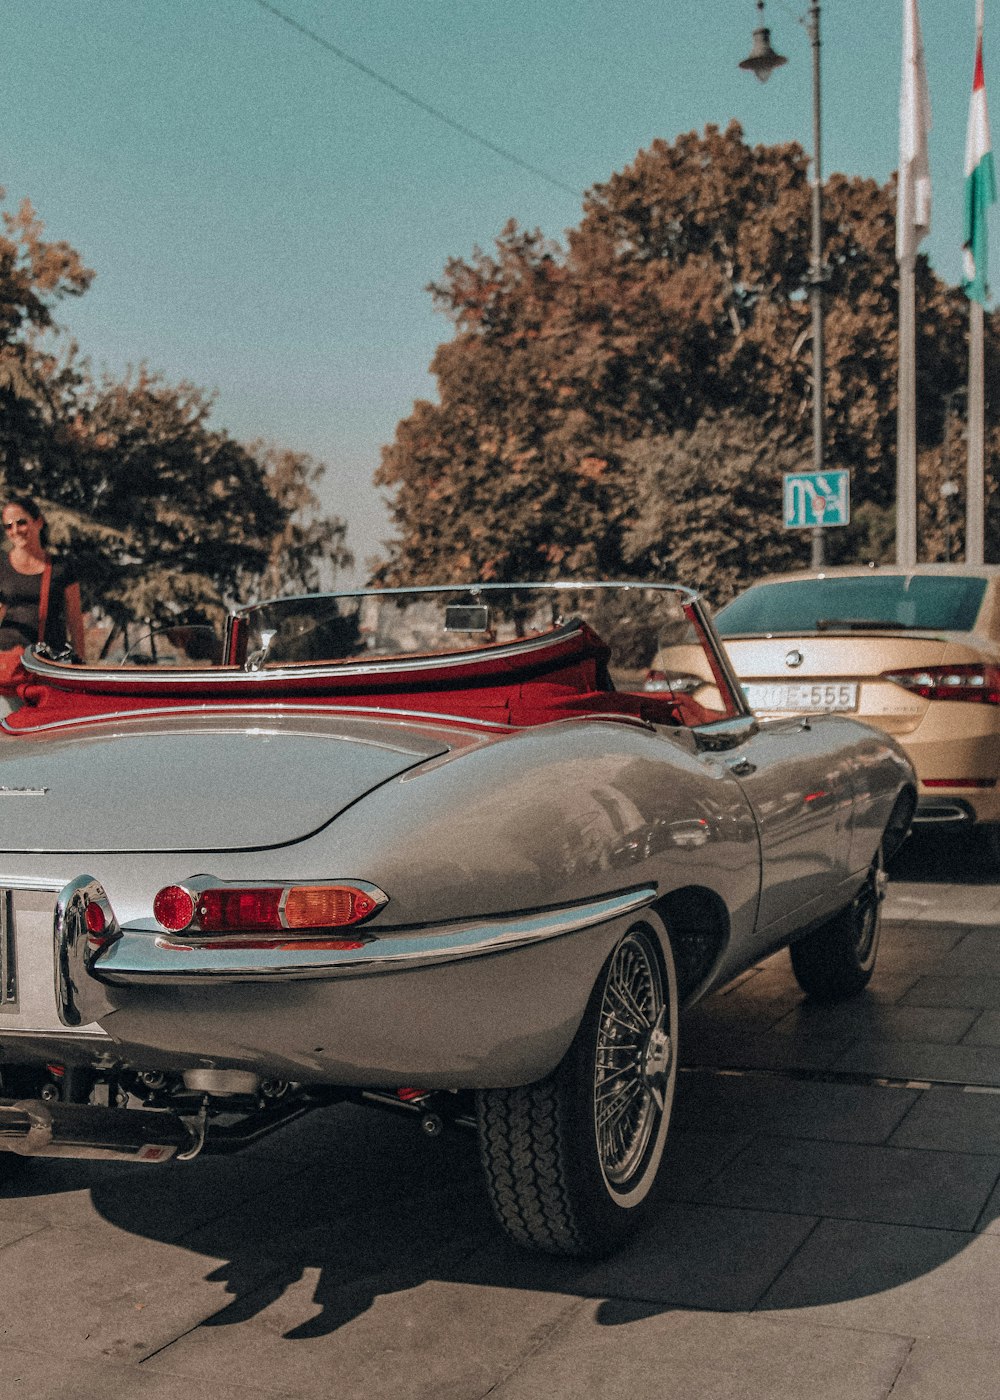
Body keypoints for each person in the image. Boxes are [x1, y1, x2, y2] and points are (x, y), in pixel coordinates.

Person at [0, 496, 87, 664]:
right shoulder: (1, 567)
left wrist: (81, 661)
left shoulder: (61, 568)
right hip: (6, 664)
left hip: (49, 663)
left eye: (21, 522)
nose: (15, 530)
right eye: (8, 526)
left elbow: (75, 620)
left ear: (38, 522)